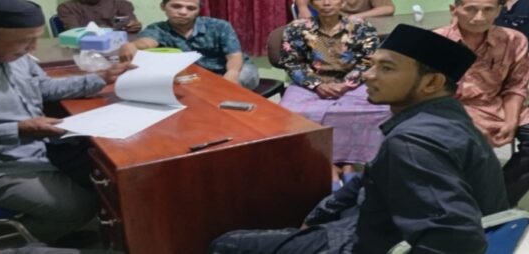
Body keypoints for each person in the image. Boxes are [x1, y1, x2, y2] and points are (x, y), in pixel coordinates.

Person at [210, 24, 509, 254]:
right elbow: (370, 179)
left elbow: (455, 241)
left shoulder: (414, 144)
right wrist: (318, 215)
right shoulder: (445, 115)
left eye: (386, 68)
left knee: (229, 244)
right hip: (374, 220)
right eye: (371, 64)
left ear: (431, 82)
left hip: (369, 242)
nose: (368, 75)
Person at [0, 0, 133, 242]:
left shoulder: (9, 55)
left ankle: (56, 228)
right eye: (27, 41)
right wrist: (17, 129)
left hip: (31, 145)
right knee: (80, 208)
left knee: (106, 170)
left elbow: (41, 86)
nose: (32, 48)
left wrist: (102, 78)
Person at [435, 0, 529, 207]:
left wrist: (511, 120)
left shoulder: (514, 40)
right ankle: (456, 202)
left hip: (496, 102)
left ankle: (498, 201)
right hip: (452, 107)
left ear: (499, 10)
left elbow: (516, 85)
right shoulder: (436, 41)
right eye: (471, 9)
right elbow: (426, 93)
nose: (479, 17)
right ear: (454, 9)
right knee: (468, 142)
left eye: (488, 9)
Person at [279, 0, 390, 186]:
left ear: (342, 1)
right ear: (312, 3)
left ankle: (349, 163)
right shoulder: (297, 28)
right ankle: (325, 163)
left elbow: (369, 60)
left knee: (380, 110)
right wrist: (316, 85)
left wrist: (347, 84)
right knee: (290, 114)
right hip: (310, 83)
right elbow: (292, 63)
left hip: (353, 82)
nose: (327, 3)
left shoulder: (360, 27)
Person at [118, 0, 259, 89]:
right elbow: (148, 41)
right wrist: (132, 45)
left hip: (231, 68)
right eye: (176, 6)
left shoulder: (219, 26)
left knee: (236, 82)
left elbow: (234, 56)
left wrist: (232, 74)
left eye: (191, 8)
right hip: (194, 75)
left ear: (198, 11)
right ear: (163, 6)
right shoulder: (158, 29)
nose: (183, 12)